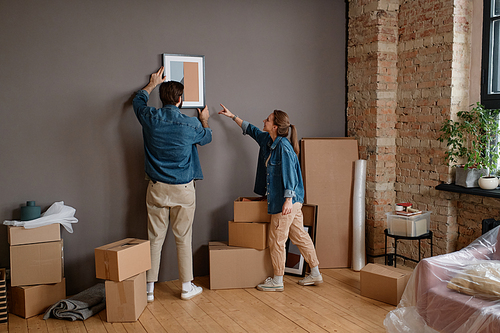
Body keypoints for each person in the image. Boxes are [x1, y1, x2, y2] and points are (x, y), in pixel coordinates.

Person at [218, 104, 322, 291]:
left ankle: (277, 280)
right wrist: (233, 116)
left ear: (275, 126)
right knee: (299, 235)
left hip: (286, 201)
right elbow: (251, 130)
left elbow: (290, 174)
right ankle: (315, 273)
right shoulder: (268, 139)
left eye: (268, 119)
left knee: (276, 240)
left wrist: (288, 200)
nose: (264, 121)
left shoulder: (284, 147)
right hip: (294, 200)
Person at [133, 67, 212, 301]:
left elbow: (137, 101)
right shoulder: (191, 125)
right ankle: (187, 287)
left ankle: (149, 289)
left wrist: (152, 84)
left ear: (163, 98)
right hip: (184, 189)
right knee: (183, 238)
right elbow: (208, 137)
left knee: (154, 237)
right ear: (180, 100)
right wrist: (204, 120)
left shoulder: (150, 118)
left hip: (157, 188)